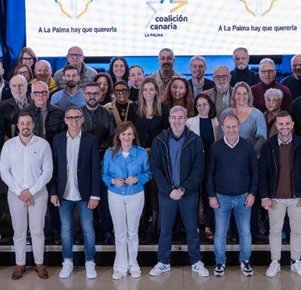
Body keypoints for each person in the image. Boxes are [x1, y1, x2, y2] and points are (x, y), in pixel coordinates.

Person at [148, 106, 209, 277]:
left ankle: (196, 261)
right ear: (169, 119)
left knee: (192, 229)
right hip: (167, 194)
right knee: (165, 230)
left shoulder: (195, 140)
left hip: (188, 194)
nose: (177, 121)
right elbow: (155, 168)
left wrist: (183, 188)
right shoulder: (159, 140)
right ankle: (163, 262)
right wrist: (169, 190)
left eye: (180, 117)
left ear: (186, 119)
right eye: (173, 117)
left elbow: (198, 169)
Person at [258, 111, 301, 277]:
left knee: (297, 231)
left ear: (292, 124)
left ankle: (296, 261)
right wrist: (264, 196)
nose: (284, 127)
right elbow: (262, 173)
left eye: (287, 124)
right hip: (275, 197)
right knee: (275, 231)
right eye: (281, 124)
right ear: (276, 125)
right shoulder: (268, 146)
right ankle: (275, 262)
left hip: (297, 197)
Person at [0, 112, 53, 280]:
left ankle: (39, 263)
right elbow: (4, 172)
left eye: (28, 123)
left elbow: (48, 172)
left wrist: (31, 192)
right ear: (18, 125)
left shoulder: (43, 145)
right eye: (22, 123)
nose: (25, 126)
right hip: (16, 195)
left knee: (37, 230)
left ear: (33, 125)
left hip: (38, 194)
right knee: (19, 231)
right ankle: (20, 264)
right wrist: (20, 192)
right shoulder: (9, 145)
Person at [50, 106, 102, 279]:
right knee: (66, 230)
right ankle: (67, 261)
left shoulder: (91, 140)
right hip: (64, 193)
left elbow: (95, 168)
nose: (73, 121)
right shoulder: (57, 140)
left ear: (82, 120)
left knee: (88, 228)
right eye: (70, 118)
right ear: (65, 120)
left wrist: (95, 194)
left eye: (76, 117)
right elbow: (55, 168)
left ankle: (89, 262)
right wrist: (53, 192)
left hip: (85, 194)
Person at [208, 114, 258, 277]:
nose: (231, 130)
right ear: (222, 128)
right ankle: (220, 263)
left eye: (234, 127)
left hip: (243, 197)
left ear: (239, 127)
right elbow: (209, 173)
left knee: (245, 232)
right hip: (221, 198)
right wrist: (211, 195)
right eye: (227, 127)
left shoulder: (247, 147)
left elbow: (254, 172)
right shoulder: (215, 147)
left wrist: (252, 193)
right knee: (220, 233)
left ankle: (245, 261)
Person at [102, 122, 151, 279]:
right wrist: (113, 181)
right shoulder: (110, 153)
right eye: (123, 134)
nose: (126, 137)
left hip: (135, 194)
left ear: (134, 136)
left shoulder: (142, 153)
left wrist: (137, 178)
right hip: (116, 195)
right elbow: (104, 174)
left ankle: (133, 263)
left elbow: (149, 173)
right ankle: (120, 266)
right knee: (120, 232)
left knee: (132, 232)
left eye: (129, 134)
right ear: (118, 136)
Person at [187, 93, 221, 240]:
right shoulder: (189, 122)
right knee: (193, 194)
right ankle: (193, 225)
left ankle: (208, 225)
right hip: (195, 164)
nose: (202, 107)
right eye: (199, 105)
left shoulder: (217, 122)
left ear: (210, 106)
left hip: (212, 164)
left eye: (204, 104)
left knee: (209, 194)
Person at [219, 82, 267, 155]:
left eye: (244, 94)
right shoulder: (225, 113)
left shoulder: (257, 114)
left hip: (250, 156)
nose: (241, 96)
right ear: (234, 95)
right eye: (238, 93)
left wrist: (249, 154)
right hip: (228, 155)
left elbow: (262, 139)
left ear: (249, 96)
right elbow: (220, 136)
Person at [133, 78, 169, 150]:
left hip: (158, 149)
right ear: (141, 91)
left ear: (156, 91)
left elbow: (166, 132)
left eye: (151, 90)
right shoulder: (133, 107)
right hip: (137, 149)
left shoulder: (164, 109)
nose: (148, 92)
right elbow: (131, 130)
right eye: (145, 90)